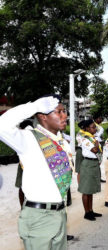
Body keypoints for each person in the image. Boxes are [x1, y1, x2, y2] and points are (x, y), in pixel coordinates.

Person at [0, 95, 73, 250]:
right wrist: (33, 107)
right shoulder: (28, 139)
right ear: (42, 116)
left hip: (60, 213)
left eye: (64, 111)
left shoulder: (60, 142)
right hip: (39, 217)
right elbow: (2, 126)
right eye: (58, 112)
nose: (64, 115)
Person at [78, 119, 102, 221]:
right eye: (93, 127)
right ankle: (86, 212)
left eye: (95, 127)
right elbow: (95, 150)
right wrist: (96, 144)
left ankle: (91, 210)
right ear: (87, 128)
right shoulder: (85, 139)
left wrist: (96, 142)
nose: (95, 129)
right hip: (88, 164)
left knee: (91, 190)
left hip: (94, 163)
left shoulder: (93, 138)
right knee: (86, 190)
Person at [14, 119, 34, 208]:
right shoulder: (35, 134)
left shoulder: (22, 135)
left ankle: (23, 207)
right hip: (34, 164)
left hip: (23, 164)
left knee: (21, 187)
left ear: (22, 128)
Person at [94, 114, 106, 183]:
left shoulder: (99, 126)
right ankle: (96, 177)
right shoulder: (94, 126)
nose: (101, 120)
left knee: (99, 161)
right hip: (96, 144)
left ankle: (98, 177)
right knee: (97, 161)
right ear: (95, 119)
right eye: (99, 118)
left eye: (101, 118)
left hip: (100, 144)